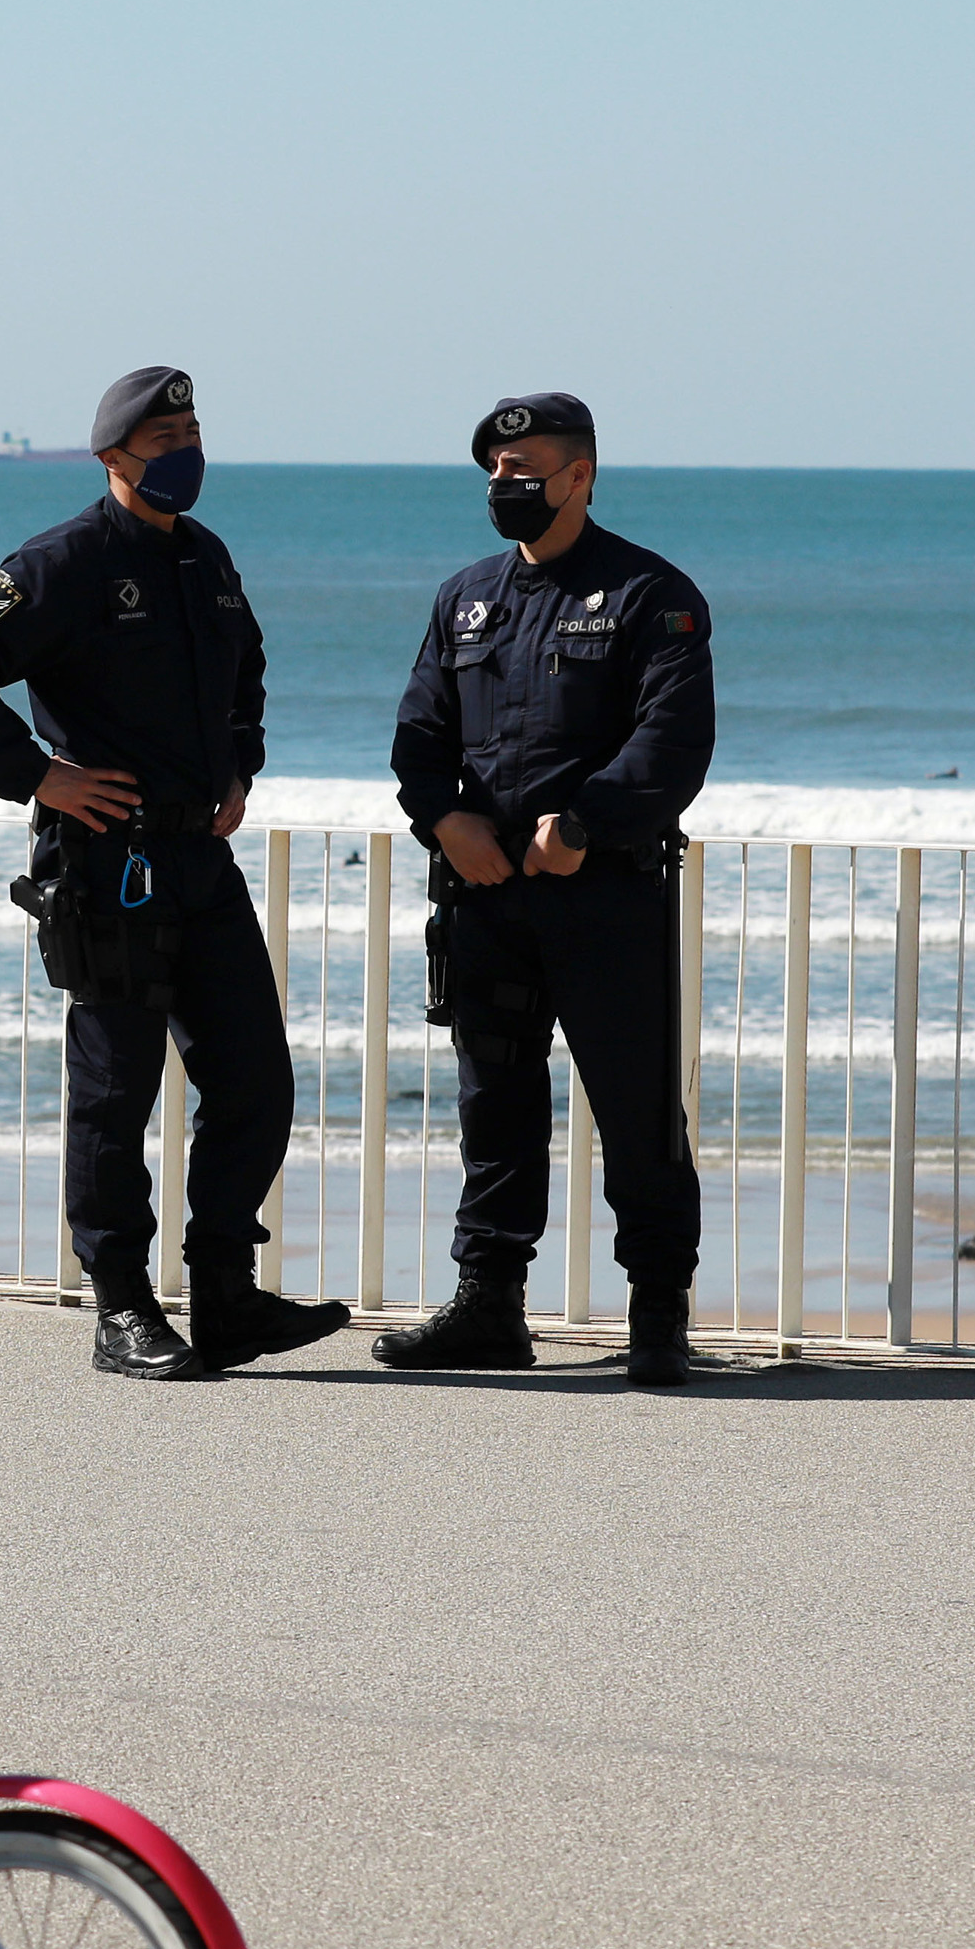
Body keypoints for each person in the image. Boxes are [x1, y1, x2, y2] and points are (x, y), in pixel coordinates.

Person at [0, 364, 346, 1379]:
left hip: (201, 854)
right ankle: (121, 1309)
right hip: (107, 862)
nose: (185, 450)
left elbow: (247, 668)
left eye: (193, 429)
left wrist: (242, 762)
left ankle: (227, 1298)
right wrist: (36, 777)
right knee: (116, 1092)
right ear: (113, 459)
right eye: (163, 439)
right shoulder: (60, 562)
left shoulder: (204, 555)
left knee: (254, 1078)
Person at [380, 391, 716, 1387]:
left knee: (637, 1112)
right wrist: (443, 819)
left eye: (524, 470)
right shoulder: (464, 598)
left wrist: (583, 826)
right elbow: (419, 737)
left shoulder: (651, 594)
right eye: (493, 471)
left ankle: (657, 1315)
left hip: (604, 899)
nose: (505, 485)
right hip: (484, 902)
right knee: (495, 1109)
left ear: (580, 475)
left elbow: (672, 743)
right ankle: (489, 1307)